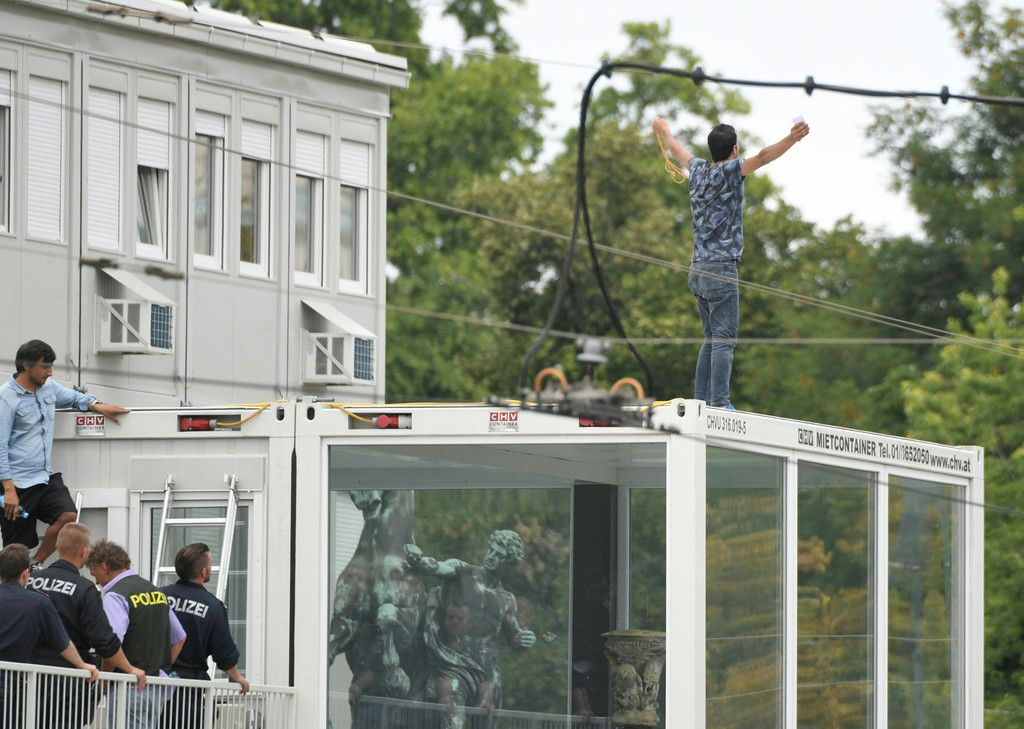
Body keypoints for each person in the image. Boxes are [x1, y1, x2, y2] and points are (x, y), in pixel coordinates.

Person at [652, 118, 810, 408]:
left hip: (697, 269)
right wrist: (792, 139)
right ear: (734, 149)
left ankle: (701, 403)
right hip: (721, 269)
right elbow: (763, 157)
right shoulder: (731, 170)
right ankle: (720, 404)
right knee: (723, 339)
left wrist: (664, 131)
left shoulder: (698, 169)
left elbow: (678, 150)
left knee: (711, 338)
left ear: (711, 149)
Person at [0, 339, 129, 562]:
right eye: (45, 367)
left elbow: (76, 398)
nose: (50, 372)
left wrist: (98, 406)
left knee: (68, 515)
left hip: (44, 476)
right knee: (16, 550)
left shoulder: (49, 387)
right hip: (18, 483)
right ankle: (17, 575)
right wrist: (8, 489)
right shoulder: (6, 397)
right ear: (26, 365)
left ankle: (36, 564)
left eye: (51, 366)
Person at [405, 530, 536, 729]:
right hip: (455, 666)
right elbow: (437, 567)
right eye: (492, 550)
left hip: (487, 675)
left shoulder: (506, 599)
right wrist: (419, 560)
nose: (492, 556)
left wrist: (524, 638)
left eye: (499, 555)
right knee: (452, 721)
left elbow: (514, 636)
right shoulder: (462, 572)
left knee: (486, 725)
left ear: (509, 562)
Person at [28, 523, 147, 729]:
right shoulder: (84, 589)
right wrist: (130, 669)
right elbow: (103, 640)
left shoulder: (30, 581)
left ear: (57, 547)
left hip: (27, 678)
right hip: (68, 685)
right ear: (84, 552)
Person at [86, 539, 186, 729]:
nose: (96, 581)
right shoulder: (156, 592)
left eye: (94, 573)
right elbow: (180, 638)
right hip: (156, 686)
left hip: (128, 687)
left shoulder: (114, 596)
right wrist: (156, 668)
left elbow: (111, 644)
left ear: (104, 567)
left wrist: (105, 679)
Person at [0, 544, 99, 724]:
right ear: (25, 574)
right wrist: (83, 665)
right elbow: (63, 643)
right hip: (12, 686)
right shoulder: (39, 602)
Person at [159, 543, 249, 728]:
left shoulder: (159, 596)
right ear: (204, 571)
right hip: (189, 692)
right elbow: (224, 652)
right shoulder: (213, 606)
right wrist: (236, 677)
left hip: (155, 683)